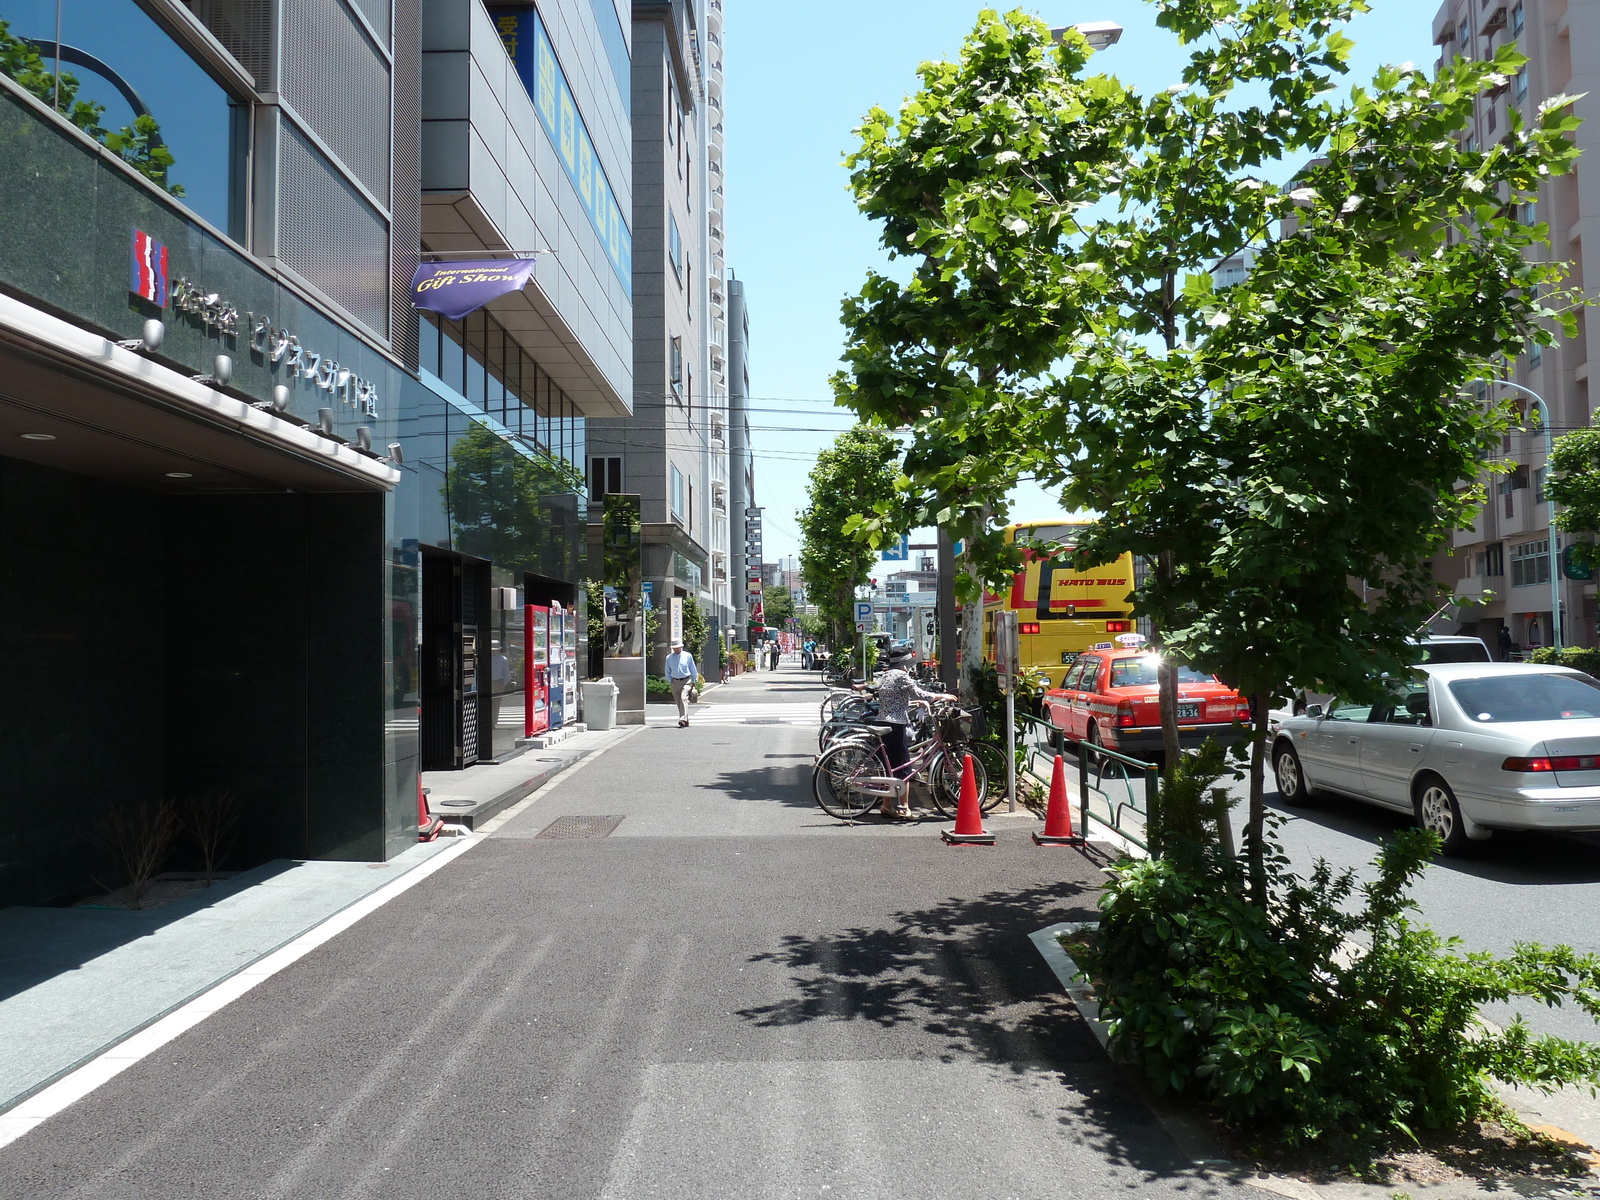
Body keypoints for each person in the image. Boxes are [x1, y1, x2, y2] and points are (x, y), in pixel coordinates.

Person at [856, 651, 955, 819]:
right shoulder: (903, 676)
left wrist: (916, 702)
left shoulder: (886, 675)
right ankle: (904, 806)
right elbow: (922, 693)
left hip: (882, 722)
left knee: (889, 768)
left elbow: (894, 699)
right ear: (905, 664)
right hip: (897, 725)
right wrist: (942, 696)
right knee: (904, 767)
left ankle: (887, 806)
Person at [665, 640, 697, 727]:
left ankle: (682, 718)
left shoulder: (687, 656)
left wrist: (694, 682)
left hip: (686, 680)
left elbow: (693, 669)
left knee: (684, 698)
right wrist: (670, 680)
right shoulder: (669, 658)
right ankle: (685, 720)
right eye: (674, 648)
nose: (676, 649)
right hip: (674, 681)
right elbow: (667, 671)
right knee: (679, 701)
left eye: (677, 648)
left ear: (681, 647)